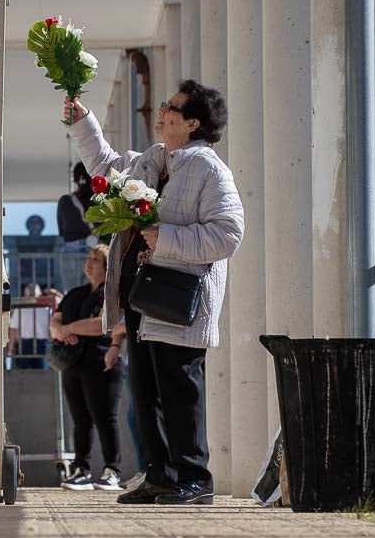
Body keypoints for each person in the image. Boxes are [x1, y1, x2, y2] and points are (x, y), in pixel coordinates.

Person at [64, 80, 243, 507]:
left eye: (172, 107)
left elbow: (228, 234)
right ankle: (161, 476)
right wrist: (83, 123)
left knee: (181, 389)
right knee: (147, 392)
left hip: (178, 299)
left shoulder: (209, 169)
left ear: (193, 123)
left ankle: (195, 478)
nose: (162, 111)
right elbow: (105, 166)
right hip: (141, 296)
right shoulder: (153, 159)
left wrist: (166, 238)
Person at [50, 245, 124, 492]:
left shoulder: (110, 292)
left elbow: (101, 325)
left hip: (102, 360)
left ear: (107, 266)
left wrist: (69, 329)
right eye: (89, 258)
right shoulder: (76, 293)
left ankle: (112, 470)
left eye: (96, 259)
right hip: (73, 362)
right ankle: (82, 469)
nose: (89, 262)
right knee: (80, 419)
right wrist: (60, 331)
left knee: (105, 418)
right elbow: (55, 321)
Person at [54, 163, 97, 291]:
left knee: (74, 293)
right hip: (96, 251)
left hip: (71, 250)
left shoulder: (65, 201)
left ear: (75, 178)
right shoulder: (99, 202)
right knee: (95, 293)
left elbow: (62, 231)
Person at [8, 283, 52, 369]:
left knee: (23, 372)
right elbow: (51, 328)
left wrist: (11, 346)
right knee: (42, 373)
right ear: (40, 294)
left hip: (24, 344)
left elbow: (14, 328)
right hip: (42, 344)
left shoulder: (20, 309)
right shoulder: (46, 309)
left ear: (25, 294)